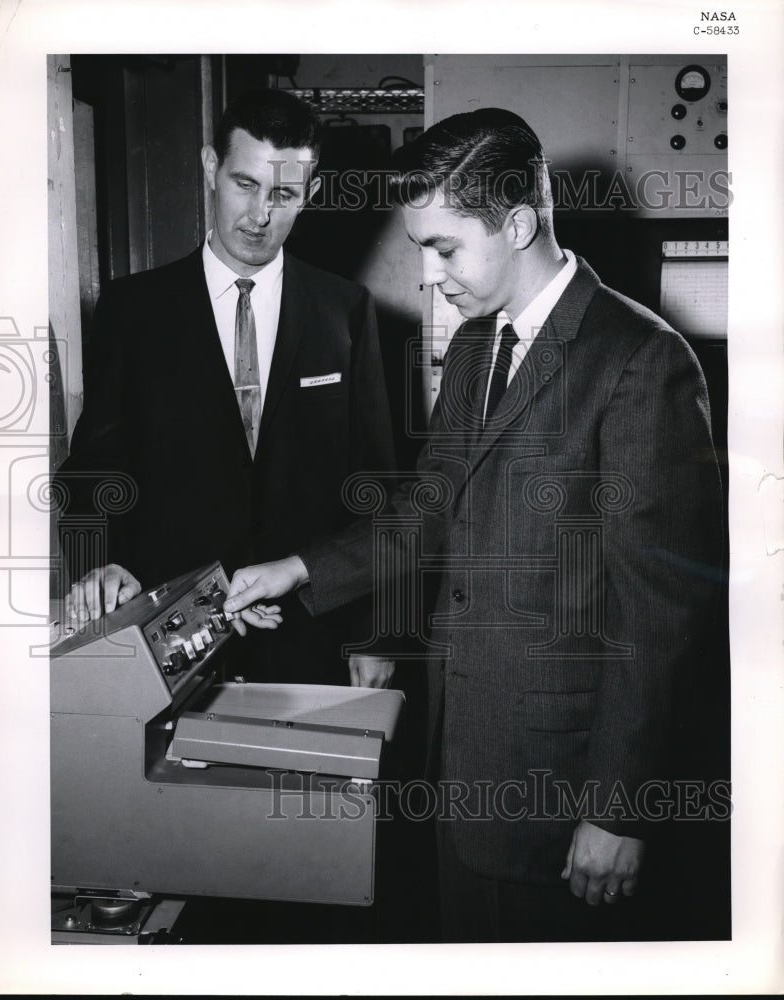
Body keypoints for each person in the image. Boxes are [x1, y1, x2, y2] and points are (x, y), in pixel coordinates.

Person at [222, 108, 724, 940]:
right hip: (462, 762)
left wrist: (620, 810)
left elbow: (662, 617)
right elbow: (428, 511)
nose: (427, 274)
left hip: (563, 796)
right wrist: (301, 570)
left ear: (519, 223)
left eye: (444, 248)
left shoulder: (641, 361)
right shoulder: (477, 347)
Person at [55, 87, 396, 688]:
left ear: (310, 195)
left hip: (309, 632)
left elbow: (374, 486)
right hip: (168, 631)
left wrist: (379, 631)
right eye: (245, 184)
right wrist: (97, 561)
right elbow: (95, 466)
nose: (259, 215)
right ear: (211, 167)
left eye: (284, 195)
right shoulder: (132, 309)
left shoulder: (346, 310)